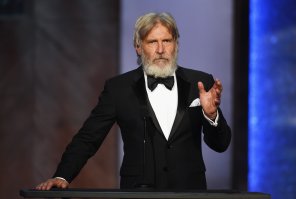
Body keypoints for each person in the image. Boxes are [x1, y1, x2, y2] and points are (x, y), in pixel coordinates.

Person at [36, 12, 231, 191]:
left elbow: (220, 145)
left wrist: (211, 115)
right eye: (152, 42)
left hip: (190, 193)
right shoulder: (119, 88)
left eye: (167, 41)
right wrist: (62, 176)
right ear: (138, 47)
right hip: (138, 192)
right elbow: (88, 138)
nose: (161, 49)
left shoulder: (200, 84)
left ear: (176, 44)